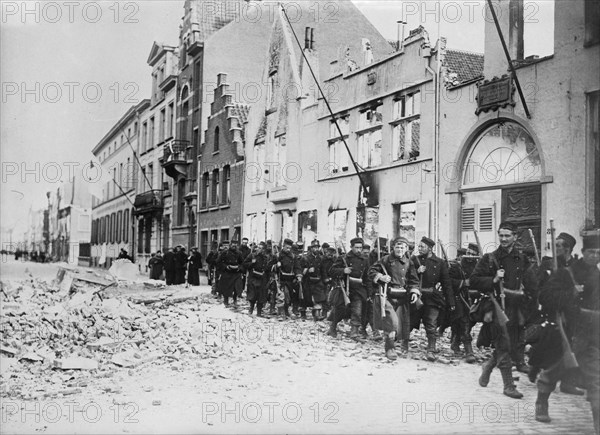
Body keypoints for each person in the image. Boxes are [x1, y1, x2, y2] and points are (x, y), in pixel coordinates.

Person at [534, 231, 599, 433]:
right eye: (591, 252)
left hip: (591, 336)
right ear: (583, 251)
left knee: (597, 380)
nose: (595, 256)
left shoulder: (598, 275)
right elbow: (545, 296)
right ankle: (541, 401)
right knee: (555, 371)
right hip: (568, 335)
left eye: (599, 253)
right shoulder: (566, 273)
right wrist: (570, 294)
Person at [470, 221, 538, 399]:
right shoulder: (490, 258)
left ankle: (488, 367)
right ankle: (508, 385)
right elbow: (475, 280)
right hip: (497, 307)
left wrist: (532, 302)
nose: (504, 239)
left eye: (508, 235)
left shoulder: (522, 259)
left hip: (516, 308)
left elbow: (531, 284)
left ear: (515, 237)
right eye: (501, 235)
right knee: (503, 344)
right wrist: (493, 279)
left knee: (512, 343)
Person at [368, 237, 420, 360]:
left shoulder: (409, 262)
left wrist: (414, 291)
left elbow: (414, 280)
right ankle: (390, 348)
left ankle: (403, 346)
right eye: (397, 247)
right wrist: (380, 277)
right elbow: (371, 271)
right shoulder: (385, 260)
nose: (399, 249)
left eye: (402, 247)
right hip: (387, 295)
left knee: (404, 323)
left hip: (402, 296)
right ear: (393, 248)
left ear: (406, 249)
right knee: (391, 322)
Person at [411, 236, 454, 362]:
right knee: (410, 319)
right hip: (416, 294)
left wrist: (450, 301)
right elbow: (407, 276)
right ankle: (403, 344)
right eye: (419, 246)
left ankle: (431, 348)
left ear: (430, 248)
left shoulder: (439, 263)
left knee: (431, 322)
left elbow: (446, 283)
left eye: (422, 246)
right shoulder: (414, 260)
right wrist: (417, 271)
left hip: (432, 297)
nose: (419, 248)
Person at [329, 238, 370, 339]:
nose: (359, 250)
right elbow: (332, 271)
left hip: (359, 289)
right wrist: (343, 270)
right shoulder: (344, 258)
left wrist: (369, 291)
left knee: (357, 310)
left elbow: (368, 277)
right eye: (356, 247)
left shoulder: (365, 260)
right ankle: (333, 327)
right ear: (351, 247)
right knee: (340, 309)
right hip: (345, 288)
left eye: (360, 248)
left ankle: (354, 331)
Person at [243, 241, 270, 316]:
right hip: (253, 278)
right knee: (253, 295)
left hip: (262, 278)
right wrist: (252, 263)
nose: (259, 249)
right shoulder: (252, 256)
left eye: (261, 248)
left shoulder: (266, 258)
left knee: (261, 296)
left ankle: (259, 312)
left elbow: (268, 268)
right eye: (258, 247)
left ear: (264, 250)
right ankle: (251, 308)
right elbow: (245, 264)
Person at [303, 240, 327, 321]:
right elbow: (301, 270)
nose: (316, 249)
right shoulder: (306, 258)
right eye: (314, 247)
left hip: (318, 280)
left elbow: (323, 270)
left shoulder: (321, 258)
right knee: (309, 298)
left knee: (319, 297)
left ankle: (317, 315)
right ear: (311, 248)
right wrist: (308, 270)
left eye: (317, 247)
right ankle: (305, 313)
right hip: (308, 280)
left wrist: (325, 280)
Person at [216, 240, 244, 307]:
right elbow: (218, 262)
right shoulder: (225, 253)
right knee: (226, 288)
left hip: (236, 273)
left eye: (235, 244)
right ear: (230, 245)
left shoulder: (239, 253)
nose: (234, 246)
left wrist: (239, 268)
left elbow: (242, 263)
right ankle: (226, 301)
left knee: (236, 287)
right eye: (233, 244)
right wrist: (226, 267)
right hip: (227, 273)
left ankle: (235, 300)